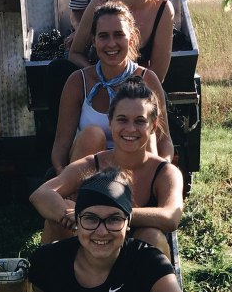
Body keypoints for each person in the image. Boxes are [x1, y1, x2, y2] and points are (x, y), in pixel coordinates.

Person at [31, 75, 183, 256]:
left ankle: (156, 284)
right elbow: (41, 194)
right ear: (110, 122)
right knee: (55, 222)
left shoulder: (165, 172)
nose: (130, 129)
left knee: (150, 235)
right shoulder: (93, 163)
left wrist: (113, 216)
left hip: (135, 260)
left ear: (153, 126)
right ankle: (48, 281)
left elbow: (171, 216)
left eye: (140, 121)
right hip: (93, 252)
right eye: (122, 119)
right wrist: (77, 216)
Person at [29, 168, 196, 292]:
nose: (101, 232)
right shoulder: (51, 259)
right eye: (91, 219)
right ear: (77, 221)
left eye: (114, 219)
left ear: (128, 222)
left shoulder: (146, 260)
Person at [51, 1, 173, 176]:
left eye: (118, 35)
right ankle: (81, 199)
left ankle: (138, 199)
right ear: (93, 40)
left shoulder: (147, 79)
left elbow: (164, 142)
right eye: (103, 36)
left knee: (148, 135)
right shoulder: (78, 81)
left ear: (130, 39)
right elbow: (60, 148)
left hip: (134, 175)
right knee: (92, 135)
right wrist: (62, 180)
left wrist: (163, 173)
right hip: (88, 175)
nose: (111, 43)